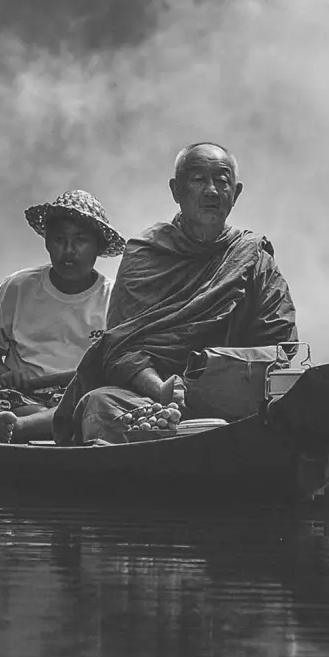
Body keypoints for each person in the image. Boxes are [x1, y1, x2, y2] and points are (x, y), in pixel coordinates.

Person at [52, 143, 298, 444]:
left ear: (236, 193)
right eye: (198, 180)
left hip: (235, 403)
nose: (211, 191)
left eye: (221, 181)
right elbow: (119, 349)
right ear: (176, 190)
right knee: (99, 405)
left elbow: (279, 347)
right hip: (151, 399)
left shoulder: (253, 258)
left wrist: (215, 378)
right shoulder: (145, 253)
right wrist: (162, 389)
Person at [0, 189, 124, 442]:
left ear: (99, 246)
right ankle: (47, 423)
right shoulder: (17, 287)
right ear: (47, 242)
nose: (68, 250)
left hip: (86, 396)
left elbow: (122, 365)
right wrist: (4, 375)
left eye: (80, 240)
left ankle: (23, 428)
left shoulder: (115, 298)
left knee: (108, 403)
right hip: (25, 399)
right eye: (59, 239)